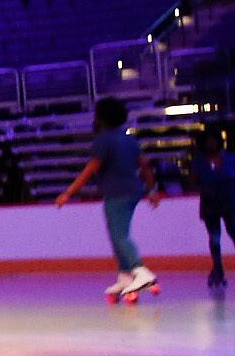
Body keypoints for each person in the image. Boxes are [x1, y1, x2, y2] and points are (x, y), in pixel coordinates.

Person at [54, 97, 160, 301]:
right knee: (117, 234)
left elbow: (90, 169)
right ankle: (125, 277)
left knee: (120, 235)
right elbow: (145, 166)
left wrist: (68, 193)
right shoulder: (129, 139)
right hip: (133, 191)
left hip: (116, 193)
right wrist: (152, 190)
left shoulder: (103, 140)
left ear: (100, 118)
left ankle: (140, 270)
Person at [190, 131, 235, 287]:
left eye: (213, 141)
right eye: (207, 142)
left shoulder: (231, 158)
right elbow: (192, 183)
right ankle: (218, 271)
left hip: (229, 202)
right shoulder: (198, 162)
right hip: (210, 203)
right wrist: (203, 187)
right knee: (215, 238)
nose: (210, 144)